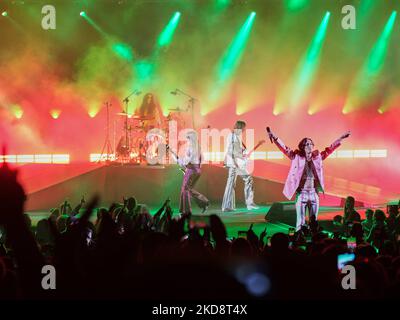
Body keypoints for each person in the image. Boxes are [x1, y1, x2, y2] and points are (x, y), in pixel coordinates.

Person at [267, 128, 350, 231]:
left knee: (313, 222)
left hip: (314, 194)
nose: (309, 145)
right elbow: (284, 149)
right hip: (301, 193)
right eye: (307, 144)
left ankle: (314, 240)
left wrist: (340, 138)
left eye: (311, 143)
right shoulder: (296, 156)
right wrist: (274, 137)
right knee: (300, 222)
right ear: (302, 147)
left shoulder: (318, 157)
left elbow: (330, 149)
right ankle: (299, 240)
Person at [222, 120, 259, 212]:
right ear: (240, 127)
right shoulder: (233, 136)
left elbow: (239, 151)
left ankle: (248, 203)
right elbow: (231, 151)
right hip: (234, 164)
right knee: (231, 184)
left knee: (246, 180)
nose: (244, 130)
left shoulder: (236, 137)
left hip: (237, 164)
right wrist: (235, 163)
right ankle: (227, 206)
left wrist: (257, 145)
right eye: (243, 128)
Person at [174, 130, 209, 214]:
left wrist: (181, 162)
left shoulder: (191, 147)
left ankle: (187, 210)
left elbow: (188, 160)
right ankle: (202, 203)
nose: (187, 140)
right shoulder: (198, 147)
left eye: (187, 138)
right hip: (196, 170)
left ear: (190, 138)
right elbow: (202, 159)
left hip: (191, 170)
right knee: (187, 189)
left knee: (185, 189)